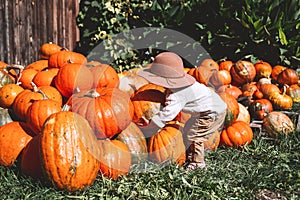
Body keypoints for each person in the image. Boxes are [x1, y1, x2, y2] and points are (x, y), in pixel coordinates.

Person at [137, 51, 227, 170]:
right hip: (210, 108)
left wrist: (151, 125)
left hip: (213, 112)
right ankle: (191, 155)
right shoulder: (179, 88)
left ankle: (198, 163)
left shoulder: (178, 95)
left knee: (195, 135)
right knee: (189, 128)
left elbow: (167, 115)